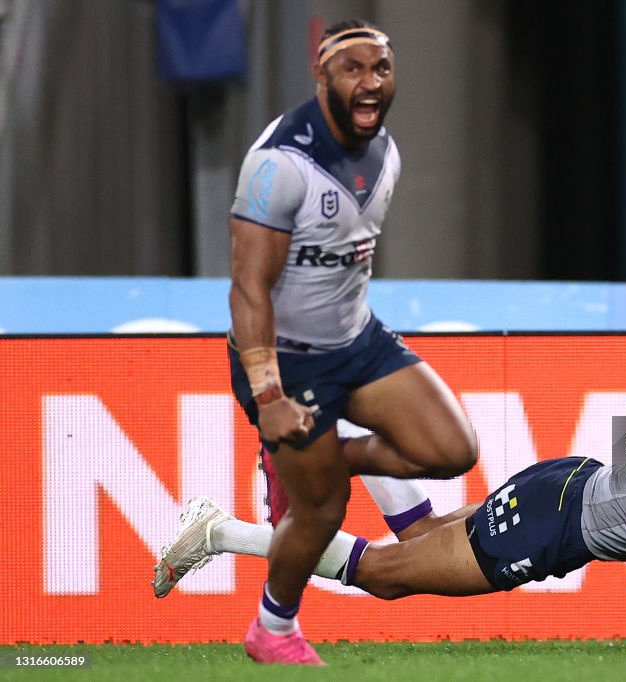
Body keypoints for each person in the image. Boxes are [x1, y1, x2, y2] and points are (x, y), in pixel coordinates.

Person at [156, 373, 626, 660]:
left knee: (415, 542)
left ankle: (354, 443)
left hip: (566, 480)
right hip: (550, 524)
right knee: (384, 577)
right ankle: (219, 529)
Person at [178, 18, 479, 666]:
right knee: (321, 514)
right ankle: (272, 628)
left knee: (454, 449)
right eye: (354, 70)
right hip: (287, 360)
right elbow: (247, 288)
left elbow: (343, 263)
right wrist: (271, 396)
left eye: (381, 69)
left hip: (358, 343)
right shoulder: (280, 165)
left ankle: (323, 456)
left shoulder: (387, 153)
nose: (370, 84)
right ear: (321, 76)